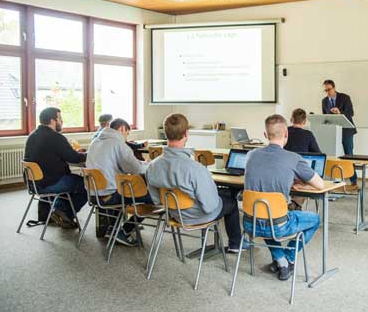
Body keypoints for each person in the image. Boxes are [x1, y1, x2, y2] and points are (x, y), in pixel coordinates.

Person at [146, 113, 243, 253]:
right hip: (198, 216)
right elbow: (210, 206)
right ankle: (235, 245)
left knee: (223, 193)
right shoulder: (195, 168)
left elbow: (156, 200)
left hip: (175, 214)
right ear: (186, 133)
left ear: (165, 133)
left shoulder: (152, 166)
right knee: (231, 202)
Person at [245, 114, 323, 281]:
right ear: (286, 133)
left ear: (265, 135)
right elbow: (320, 185)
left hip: (249, 222)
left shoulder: (251, 155)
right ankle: (289, 257)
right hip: (278, 225)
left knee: (264, 212)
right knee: (315, 219)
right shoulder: (293, 158)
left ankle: (280, 261)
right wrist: (298, 181)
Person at [86, 118, 152, 246]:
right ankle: (124, 229)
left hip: (93, 193)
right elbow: (136, 169)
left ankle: (115, 228)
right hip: (109, 195)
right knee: (154, 197)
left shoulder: (95, 141)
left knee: (123, 188)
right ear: (122, 129)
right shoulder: (118, 143)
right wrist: (149, 165)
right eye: (127, 133)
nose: (126, 137)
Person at [23, 107, 87, 228]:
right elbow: (73, 158)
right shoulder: (55, 137)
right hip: (49, 184)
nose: (62, 122)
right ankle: (63, 213)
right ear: (53, 120)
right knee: (86, 185)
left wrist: (74, 153)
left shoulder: (32, 135)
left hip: (33, 183)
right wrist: (88, 154)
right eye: (60, 119)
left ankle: (59, 210)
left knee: (70, 181)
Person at [321, 79, 358, 185]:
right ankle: (334, 181)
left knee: (348, 155)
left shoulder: (345, 97)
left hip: (346, 130)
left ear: (334, 87)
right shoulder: (324, 101)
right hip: (333, 132)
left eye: (329, 89)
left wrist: (339, 112)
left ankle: (353, 181)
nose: (328, 92)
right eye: (325, 90)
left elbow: (351, 113)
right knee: (333, 156)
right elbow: (325, 117)